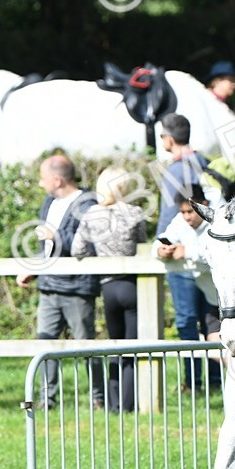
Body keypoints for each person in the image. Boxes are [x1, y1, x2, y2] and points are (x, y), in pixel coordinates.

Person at [16, 153, 104, 409]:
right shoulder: (48, 202)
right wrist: (33, 267)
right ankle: (47, 398)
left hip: (77, 286)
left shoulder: (88, 204)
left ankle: (97, 398)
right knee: (45, 343)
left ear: (56, 179)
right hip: (48, 285)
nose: (41, 184)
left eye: (43, 179)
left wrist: (56, 235)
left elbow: (85, 244)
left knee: (85, 344)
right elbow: (45, 247)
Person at [72, 167, 148, 412]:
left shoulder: (91, 215)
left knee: (114, 345)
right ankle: (128, 403)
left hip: (108, 286)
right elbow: (142, 247)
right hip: (131, 284)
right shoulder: (135, 212)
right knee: (132, 347)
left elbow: (77, 250)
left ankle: (113, 404)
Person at [156, 112, 220, 391]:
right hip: (208, 254)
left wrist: (164, 244)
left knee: (186, 322)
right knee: (212, 320)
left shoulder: (175, 169)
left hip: (184, 256)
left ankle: (193, 381)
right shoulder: (205, 162)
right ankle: (216, 379)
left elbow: (174, 214)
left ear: (168, 139)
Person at [154, 187, 222, 384]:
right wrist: (161, 250)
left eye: (190, 211)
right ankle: (192, 381)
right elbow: (157, 243)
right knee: (187, 326)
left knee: (213, 333)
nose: (186, 216)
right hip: (192, 281)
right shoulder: (179, 221)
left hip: (212, 291)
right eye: (183, 212)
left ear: (204, 205)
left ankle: (215, 381)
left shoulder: (218, 220)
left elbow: (217, 250)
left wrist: (188, 251)